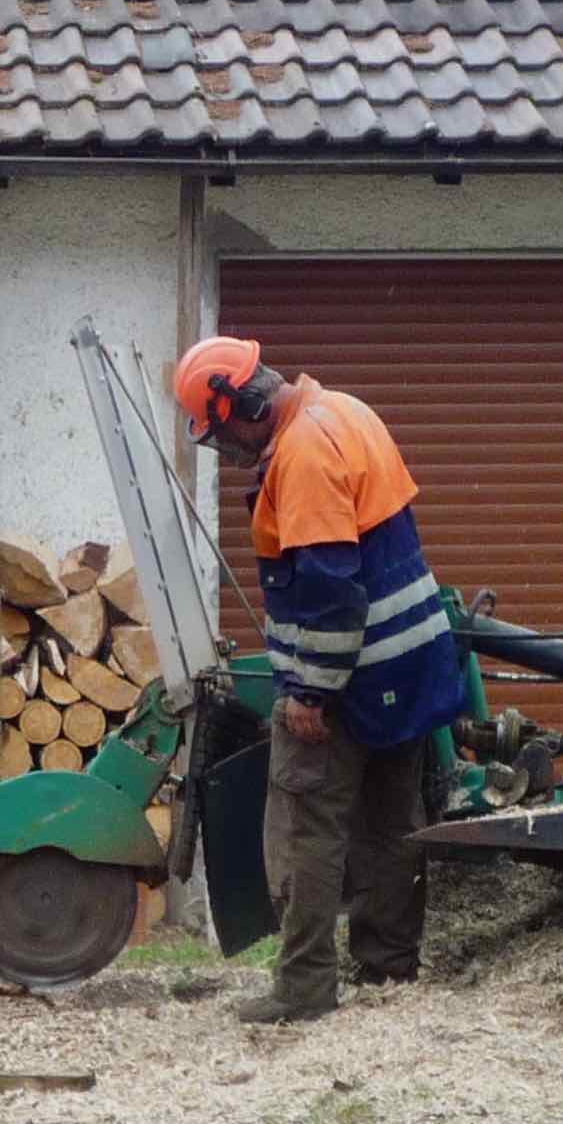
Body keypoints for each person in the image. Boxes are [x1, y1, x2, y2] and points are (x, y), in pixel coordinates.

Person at [172, 335, 468, 1024]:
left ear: (241, 404)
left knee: (308, 824)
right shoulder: (346, 410)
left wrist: (310, 692)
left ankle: (304, 989)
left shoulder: (302, 454)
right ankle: (388, 968)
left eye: (220, 434)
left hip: (353, 671)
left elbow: (333, 592)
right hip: (409, 663)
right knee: (392, 823)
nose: (226, 448)